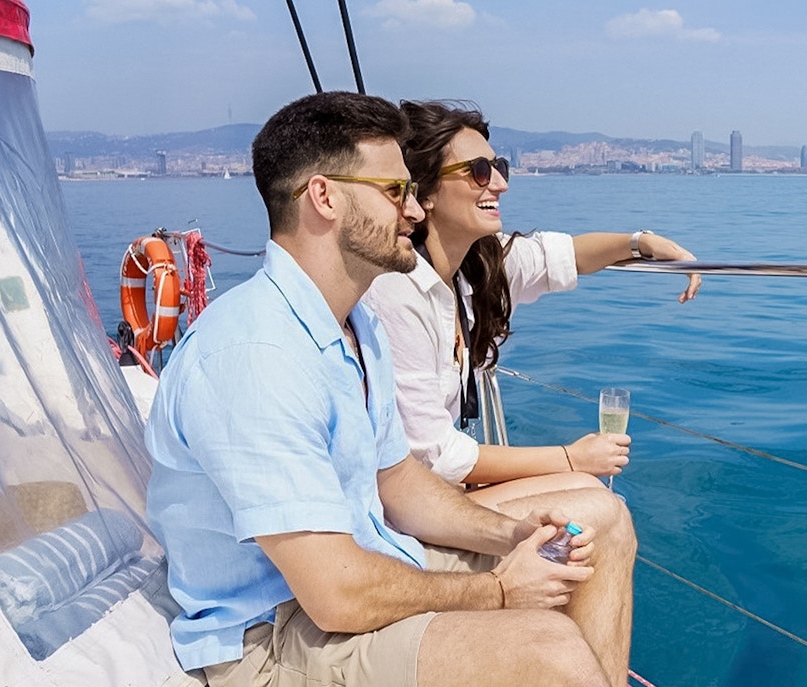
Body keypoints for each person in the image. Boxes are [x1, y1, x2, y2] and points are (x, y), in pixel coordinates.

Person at [144, 91, 636, 687]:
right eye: (395, 192)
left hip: (367, 564)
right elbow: (334, 593)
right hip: (277, 633)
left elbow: (398, 482)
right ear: (324, 197)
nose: (412, 211)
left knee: (596, 525)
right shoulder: (256, 358)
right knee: (548, 649)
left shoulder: (354, 323)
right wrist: (499, 590)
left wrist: (517, 534)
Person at [362, 100, 701, 503]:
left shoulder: (475, 265)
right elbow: (434, 455)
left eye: (499, 167)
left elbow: (567, 255)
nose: (501, 184)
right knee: (594, 502)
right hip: (400, 511)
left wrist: (642, 242)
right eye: (480, 172)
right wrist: (571, 458)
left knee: (594, 499)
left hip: (438, 493)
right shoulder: (396, 290)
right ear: (425, 192)